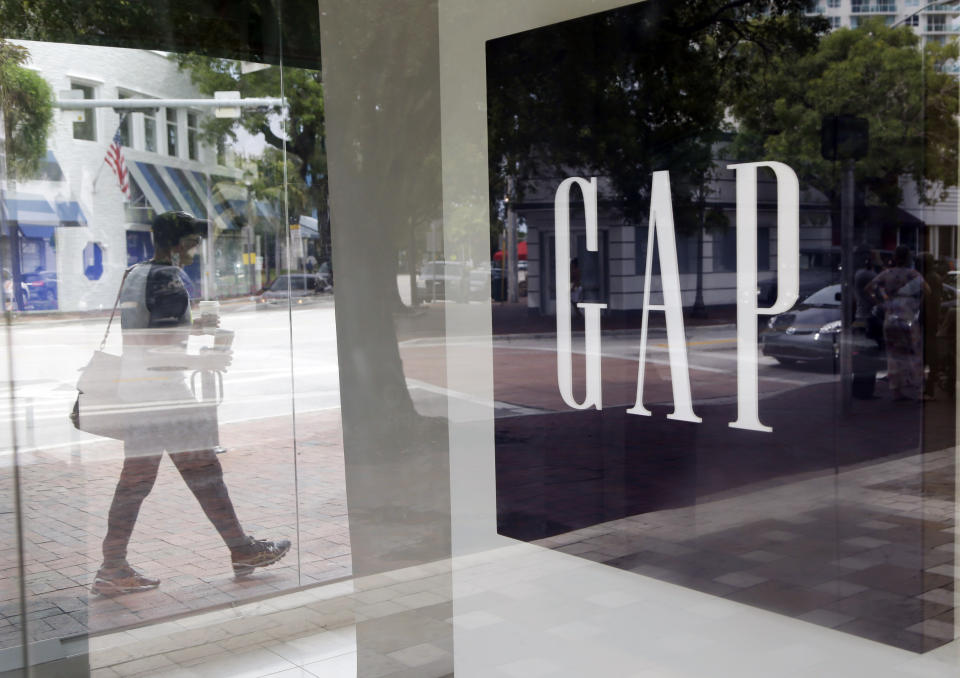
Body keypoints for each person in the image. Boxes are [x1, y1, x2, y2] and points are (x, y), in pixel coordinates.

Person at [93, 211, 290, 595]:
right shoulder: (168, 279)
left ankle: (114, 565)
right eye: (193, 242)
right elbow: (158, 352)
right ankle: (239, 550)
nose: (196, 250)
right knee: (200, 472)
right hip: (165, 395)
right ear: (179, 243)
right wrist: (205, 360)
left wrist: (192, 327)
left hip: (137, 392)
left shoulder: (135, 272)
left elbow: (143, 334)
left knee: (149, 480)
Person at [865, 245, 930, 402]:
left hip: (890, 318)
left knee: (894, 355)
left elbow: (869, 288)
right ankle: (919, 390)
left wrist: (882, 303)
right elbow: (927, 291)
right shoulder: (912, 274)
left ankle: (897, 391)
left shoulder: (887, 273)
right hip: (908, 318)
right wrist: (917, 303)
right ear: (908, 257)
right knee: (914, 353)